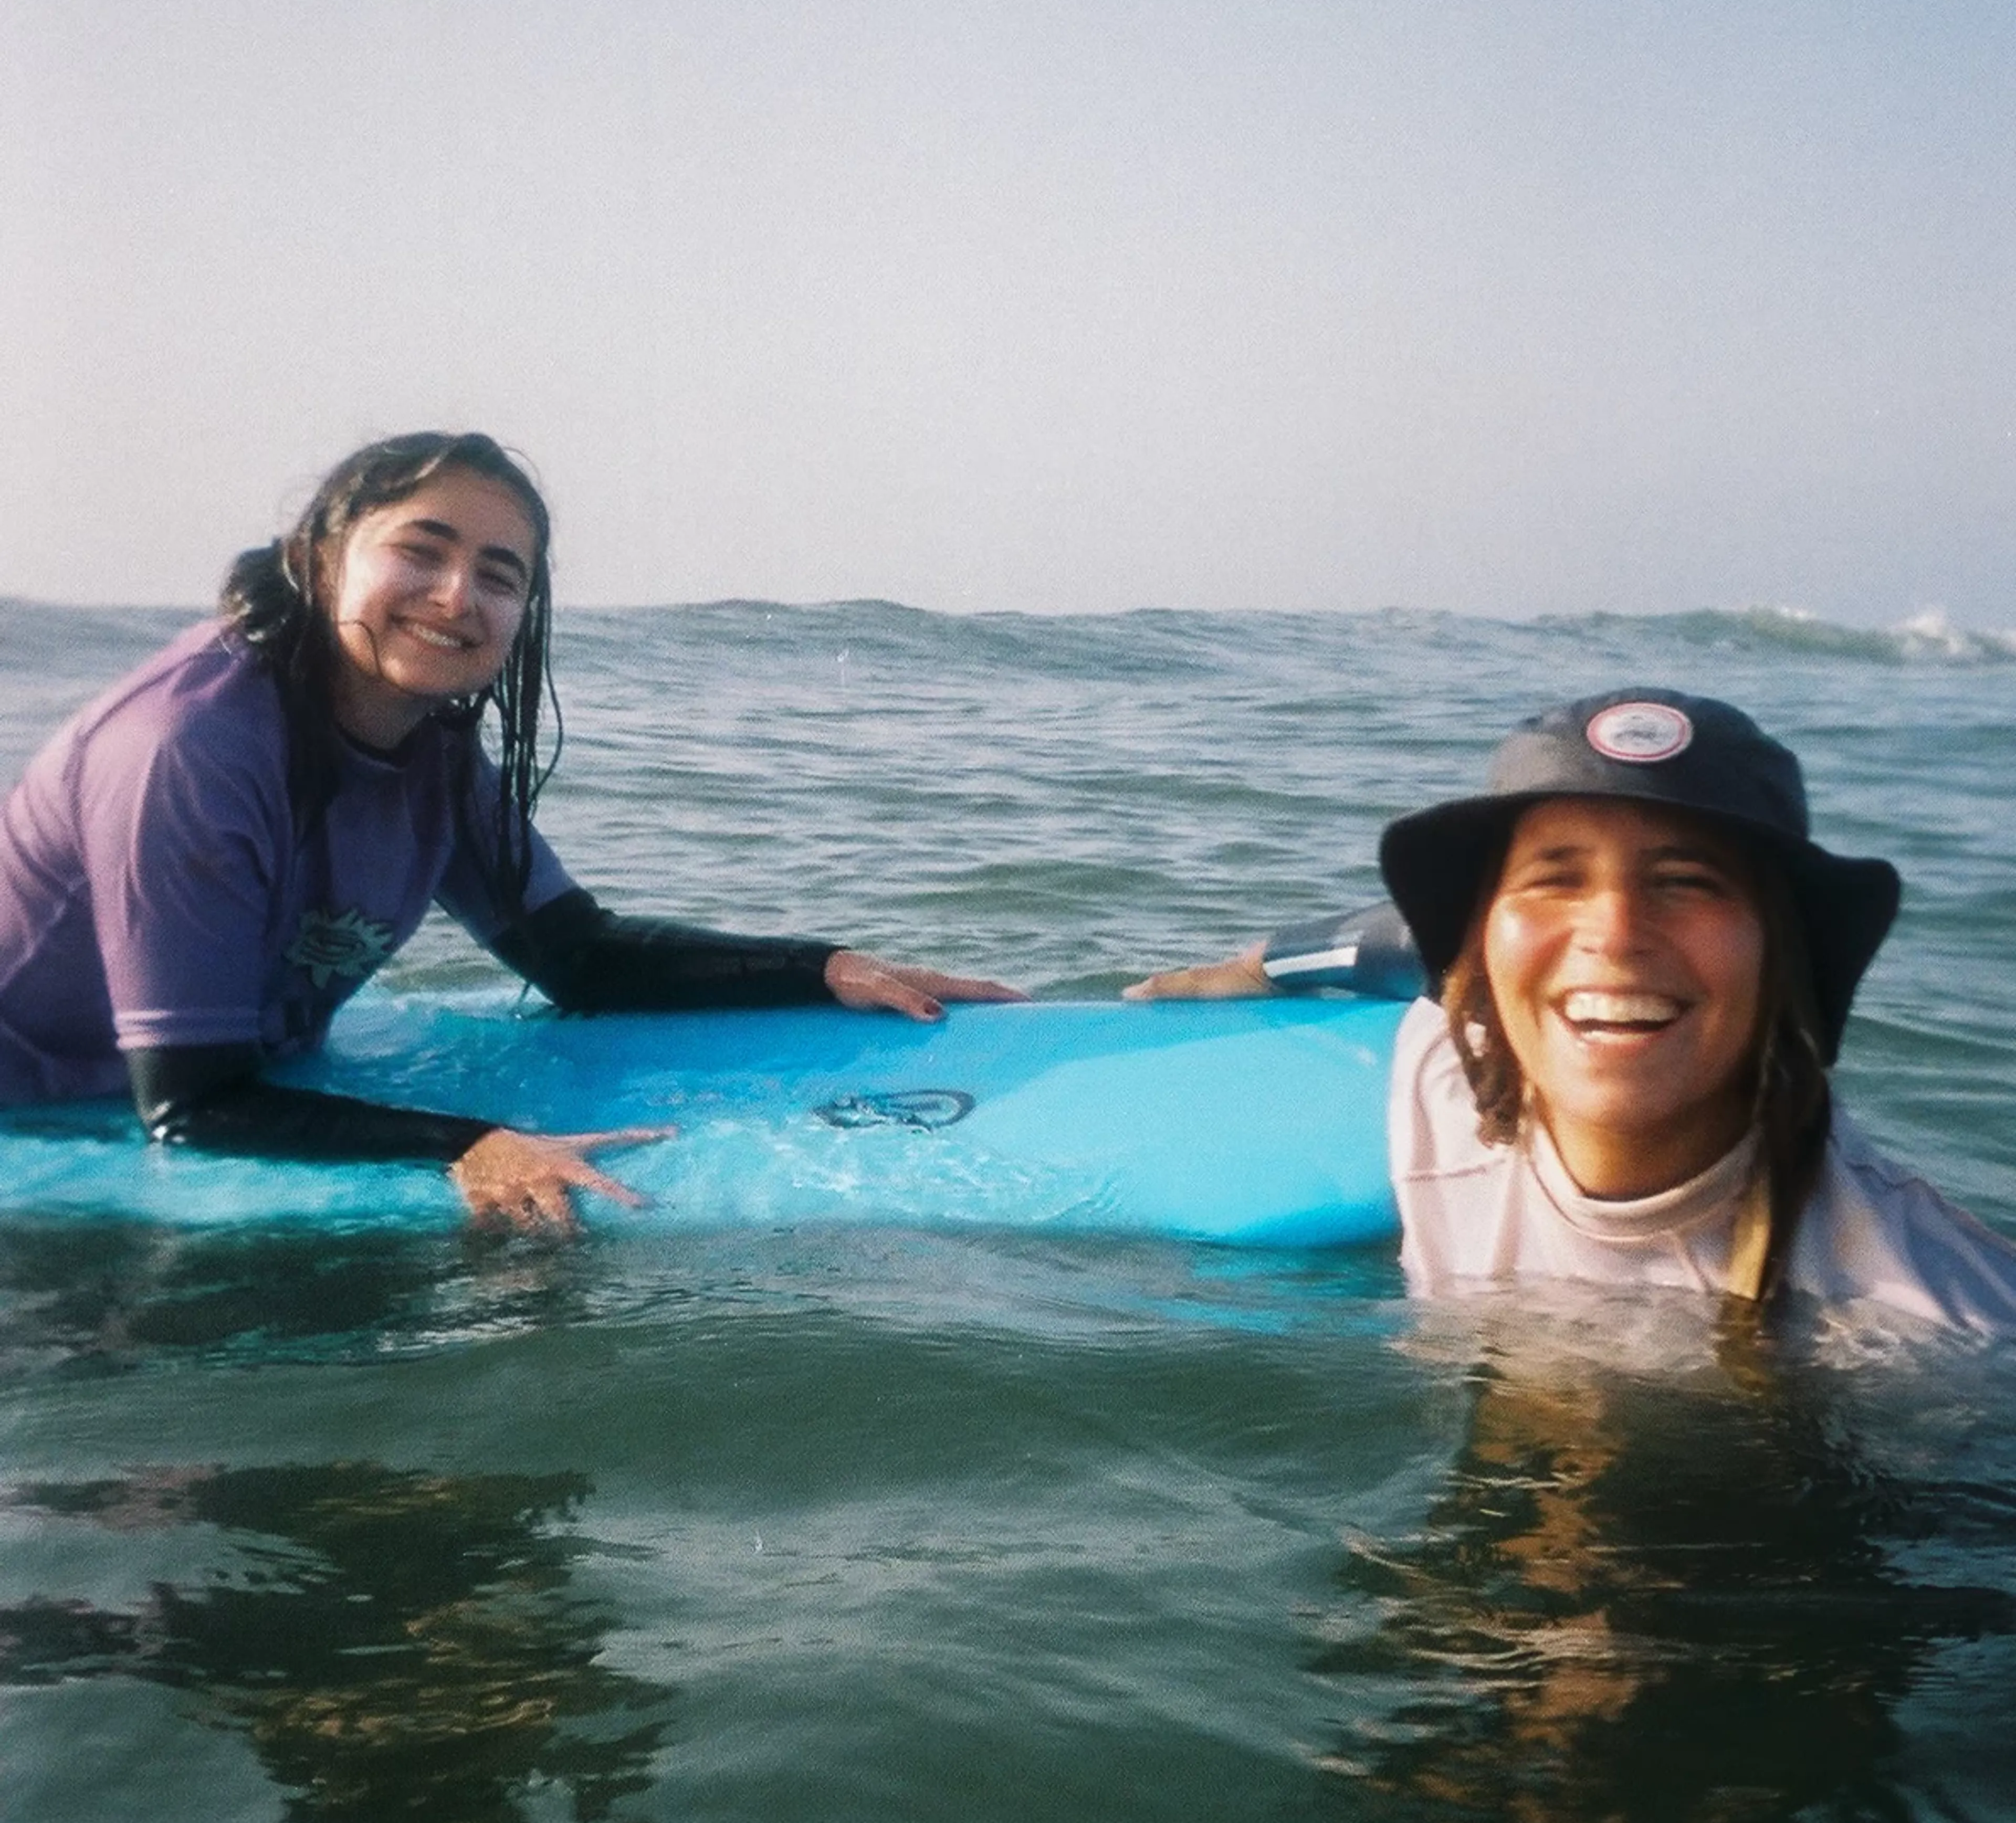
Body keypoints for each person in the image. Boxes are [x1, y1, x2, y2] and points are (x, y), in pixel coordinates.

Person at [0, 432, 1019, 1228]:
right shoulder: (189, 747)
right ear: (318, 559)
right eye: (421, 550)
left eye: (500, 573)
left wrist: (827, 966)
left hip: (209, 1083)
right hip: (43, 1107)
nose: (459, 596)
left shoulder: (432, 753)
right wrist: (472, 1140)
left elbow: (578, 956)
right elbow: (187, 1104)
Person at [1128, 687, 2016, 1329]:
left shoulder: (1922, 1314)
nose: (1614, 933)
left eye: (1687, 882)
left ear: (1785, 955)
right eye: (1555, 880)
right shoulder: (1444, 1062)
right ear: (1481, 945)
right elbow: (1383, 943)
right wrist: (1241, 971)